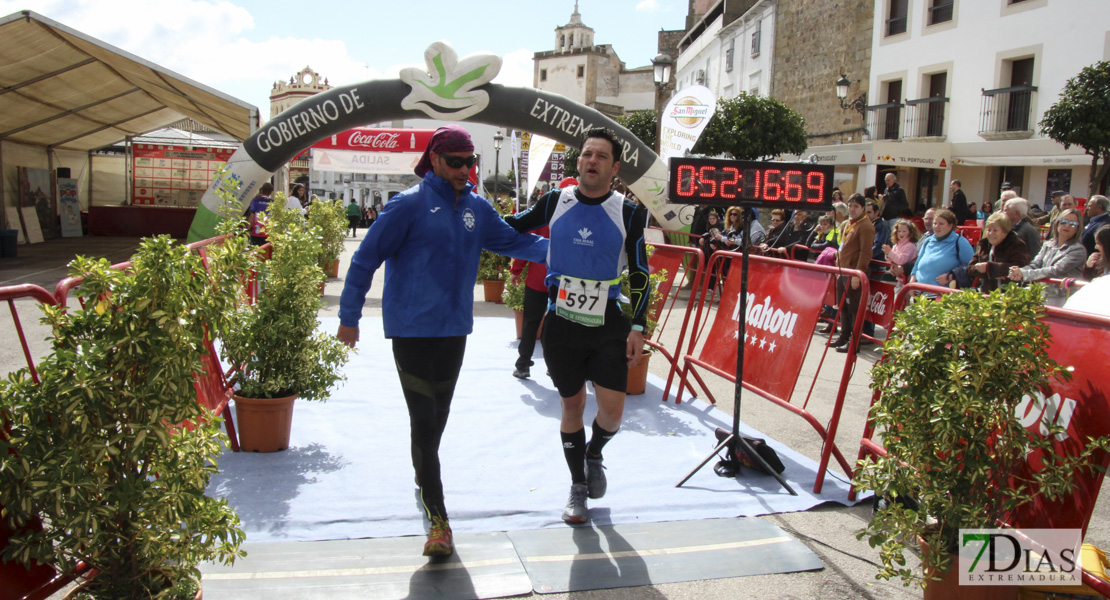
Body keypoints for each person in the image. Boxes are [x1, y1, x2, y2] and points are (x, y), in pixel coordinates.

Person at [335, 125, 547, 557]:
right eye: (456, 162)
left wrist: (574, 250)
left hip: (454, 331)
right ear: (433, 160)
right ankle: (439, 522)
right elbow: (363, 260)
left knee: (438, 418)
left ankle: (422, 469)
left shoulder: (477, 207)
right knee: (425, 420)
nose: (465, 170)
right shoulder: (405, 206)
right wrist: (348, 318)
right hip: (411, 331)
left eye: (470, 162)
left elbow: (515, 242)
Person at [504, 127, 648, 526]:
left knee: (613, 413)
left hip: (609, 324)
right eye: (586, 154)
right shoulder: (555, 201)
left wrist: (638, 326)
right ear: (578, 160)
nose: (591, 161)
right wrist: (471, 218)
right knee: (571, 406)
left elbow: (639, 271)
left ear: (614, 167)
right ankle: (578, 487)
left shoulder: (630, 211)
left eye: (601, 156)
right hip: (562, 323)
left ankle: (594, 452)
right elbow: (513, 226)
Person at [1010, 208, 1086, 306]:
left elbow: (1055, 270)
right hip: (1043, 293)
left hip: (1063, 297)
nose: (1067, 225)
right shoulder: (1048, 244)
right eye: (1063, 222)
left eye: (1072, 224)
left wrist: (1024, 273)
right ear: (1057, 223)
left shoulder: (1078, 250)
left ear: (1077, 229)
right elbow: (1035, 264)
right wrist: (1019, 271)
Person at [830, 194, 875, 354]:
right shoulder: (848, 223)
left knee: (855, 308)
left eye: (856, 206)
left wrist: (858, 273)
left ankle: (854, 342)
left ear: (862, 208)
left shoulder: (866, 226)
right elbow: (842, 247)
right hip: (843, 270)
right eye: (850, 206)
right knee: (843, 306)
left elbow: (865, 252)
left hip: (854, 272)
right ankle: (843, 335)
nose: (852, 209)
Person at [966, 213, 1030, 293]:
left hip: (1010, 295)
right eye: (989, 230)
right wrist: (990, 273)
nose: (991, 233)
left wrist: (989, 268)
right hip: (987, 293)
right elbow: (971, 268)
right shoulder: (985, 245)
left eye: (995, 230)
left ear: (1005, 232)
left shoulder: (1016, 244)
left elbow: (1020, 267)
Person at [911, 209, 975, 287]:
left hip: (943, 295)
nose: (937, 226)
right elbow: (917, 264)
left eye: (941, 224)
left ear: (951, 225)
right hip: (920, 294)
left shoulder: (960, 242)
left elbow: (971, 267)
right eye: (935, 223)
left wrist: (951, 275)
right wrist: (912, 280)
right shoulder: (928, 240)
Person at [883, 219, 919, 286]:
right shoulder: (897, 245)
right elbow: (890, 259)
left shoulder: (910, 246)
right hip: (900, 279)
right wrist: (887, 253)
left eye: (904, 231)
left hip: (908, 278)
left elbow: (901, 260)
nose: (901, 233)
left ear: (910, 232)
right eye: (899, 231)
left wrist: (890, 253)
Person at [245, 182, 275, 246]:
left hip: (256, 233)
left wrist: (247, 229)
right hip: (268, 234)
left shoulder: (255, 201)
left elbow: (252, 216)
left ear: (261, 190)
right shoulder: (273, 203)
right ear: (271, 192)